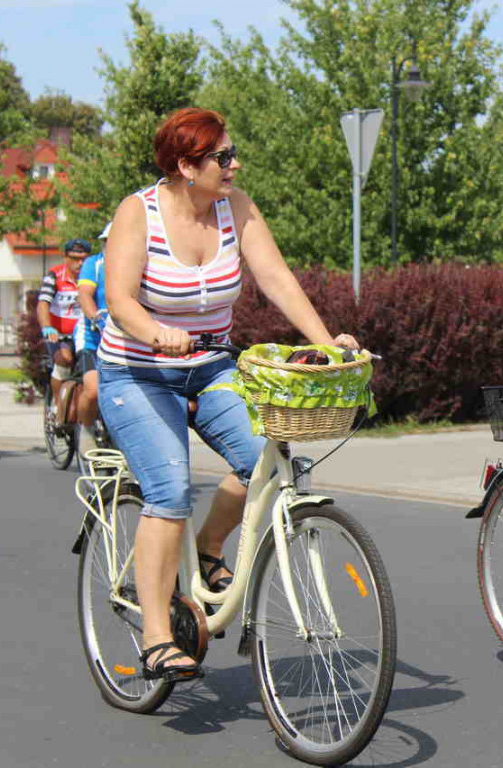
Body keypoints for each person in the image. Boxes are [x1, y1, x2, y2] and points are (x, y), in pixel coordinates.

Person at [99, 107, 359, 682]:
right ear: (186, 165)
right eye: (223, 157)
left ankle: (211, 546)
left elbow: (276, 278)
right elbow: (119, 300)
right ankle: (156, 636)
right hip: (137, 373)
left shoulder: (233, 207)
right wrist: (155, 334)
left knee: (266, 458)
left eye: (232, 152)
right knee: (168, 487)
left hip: (210, 365)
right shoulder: (137, 213)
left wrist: (328, 343)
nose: (235, 164)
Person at [37, 238, 90, 414]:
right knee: (64, 359)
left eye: (84, 258)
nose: (80, 263)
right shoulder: (54, 276)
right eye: (75, 258)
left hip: (85, 334)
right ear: (65, 257)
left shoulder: (90, 276)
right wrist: (47, 327)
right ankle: (58, 407)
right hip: (60, 335)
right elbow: (43, 304)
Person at [73, 222, 111, 464]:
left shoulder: (140, 263)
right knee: (94, 389)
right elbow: (85, 294)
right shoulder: (93, 264)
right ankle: (85, 429)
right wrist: (96, 317)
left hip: (125, 339)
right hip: (92, 337)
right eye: (107, 241)